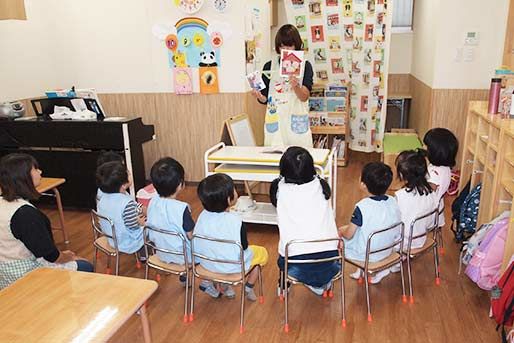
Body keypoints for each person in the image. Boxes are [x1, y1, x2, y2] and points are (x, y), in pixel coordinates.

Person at [0, 153, 93, 289]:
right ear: (23, 177)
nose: (40, 172)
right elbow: (51, 255)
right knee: (86, 266)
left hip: (4, 275)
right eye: (35, 169)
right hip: (26, 276)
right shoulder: (25, 214)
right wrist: (68, 257)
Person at [270, 147, 339, 296]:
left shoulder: (278, 188)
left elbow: (275, 202)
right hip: (331, 261)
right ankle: (322, 282)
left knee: (284, 249)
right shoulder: (321, 185)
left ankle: (284, 285)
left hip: (296, 265)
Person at [146, 157, 217, 297]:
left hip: (161, 251)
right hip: (183, 256)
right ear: (180, 185)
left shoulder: (152, 202)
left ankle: (185, 276)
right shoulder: (181, 209)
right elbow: (192, 235)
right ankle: (206, 282)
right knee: (209, 246)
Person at [194, 173, 268, 301]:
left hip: (206, 264)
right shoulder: (236, 221)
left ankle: (219, 283)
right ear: (229, 199)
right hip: (232, 266)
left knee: (220, 251)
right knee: (261, 253)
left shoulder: (202, 216)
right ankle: (248, 287)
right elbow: (244, 247)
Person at [251, 24, 314, 147]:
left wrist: (296, 86)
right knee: (274, 158)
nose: (285, 49)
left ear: (296, 45)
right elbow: (265, 99)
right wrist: (259, 96)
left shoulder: (305, 65)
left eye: (289, 45)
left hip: (296, 123)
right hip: (275, 124)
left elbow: (304, 97)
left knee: (299, 158)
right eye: (282, 45)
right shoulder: (269, 66)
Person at [339, 162, 401, 284]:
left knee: (341, 233)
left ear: (363, 184)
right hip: (387, 249)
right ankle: (361, 270)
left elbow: (349, 234)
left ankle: (357, 268)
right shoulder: (393, 201)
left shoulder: (362, 207)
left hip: (367, 255)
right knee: (367, 230)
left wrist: (341, 230)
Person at [96, 161, 146, 260]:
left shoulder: (103, 197)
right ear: (123, 185)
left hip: (111, 237)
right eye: (128, 173)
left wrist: (140, 208)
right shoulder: (126, 202)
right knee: (149, 229)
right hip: (125, 241)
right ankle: (144, 256)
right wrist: (140, 223)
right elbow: (132, 225)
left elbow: (130, 209)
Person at [394, 150, 439, 255]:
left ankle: (396, 260)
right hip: (421, 239)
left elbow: (393, 223)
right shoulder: (432, 193)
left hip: (402, 242)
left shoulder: (400, 196)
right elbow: (431, 223)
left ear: (401, 174)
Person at [423, 128, 459, 227]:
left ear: (435, 151)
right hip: (438, 210)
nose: (423, 147)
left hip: (427, 215)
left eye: (427, 146)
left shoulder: (434, 174)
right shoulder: (445, 168)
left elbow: (426, 195)